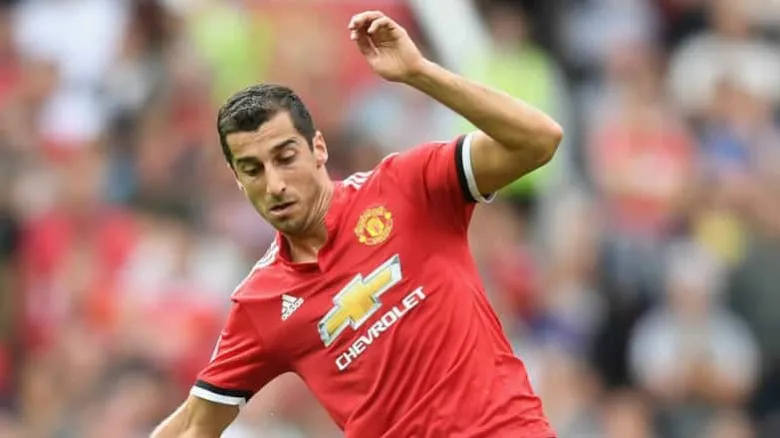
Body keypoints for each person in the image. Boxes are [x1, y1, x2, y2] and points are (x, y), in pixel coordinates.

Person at [152, 10, 562, 438]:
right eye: (253, 170)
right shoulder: (261, 302)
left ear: (318, 148)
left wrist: (419, 72)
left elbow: (539, 140)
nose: (274, 185)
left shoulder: (406, 185)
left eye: (285, 158)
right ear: (237, 180)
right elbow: (194, 425)